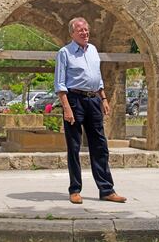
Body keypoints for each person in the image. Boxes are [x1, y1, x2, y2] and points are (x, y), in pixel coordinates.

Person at [54, 17, 127, 204]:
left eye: (86, 29)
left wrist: (103, 98)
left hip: (93, 100)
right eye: (80, 30)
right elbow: (60, 84)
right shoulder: (64, 53)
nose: (85, 33)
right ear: (72, 33)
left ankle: (107, 190)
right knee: (74, 146)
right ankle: (75, 189)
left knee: (100, 145)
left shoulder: (93, 50)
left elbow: (97, 77)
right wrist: (67, 108)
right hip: (74, 100)